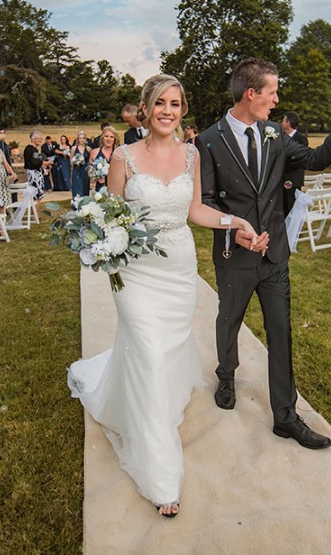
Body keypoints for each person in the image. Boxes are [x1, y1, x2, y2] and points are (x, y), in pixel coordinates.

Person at [68, 74, 260, 518]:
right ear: (146, 108)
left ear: (183, 109)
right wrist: (99, 240)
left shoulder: (192, 154)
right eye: (160, 104)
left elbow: (194, 211)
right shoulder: (124, 157)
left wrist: (237, 223)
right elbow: (107, 213)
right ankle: (160, 474)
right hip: (134, 272)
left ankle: (150, 401)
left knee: (164, 350)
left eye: (175, 104)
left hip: (177, 267)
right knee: (150, 351)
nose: (167, 111)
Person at [197, 58, 331, 450]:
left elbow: (316, 160)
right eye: (272, 92)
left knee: (281, 332)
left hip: (274, 254)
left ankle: (285, 417)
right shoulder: (207, 140)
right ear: (251, 93)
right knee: (229, 319)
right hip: (234, 255)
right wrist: (233, 232)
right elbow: (204, 202)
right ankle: (226, 374)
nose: (277, 99)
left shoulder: (275, 132)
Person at [280, 111, 309, 215]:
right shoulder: (280, 137)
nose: (282, 123)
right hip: (280, 180)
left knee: (292, 209)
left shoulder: (301, 139)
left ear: (288, 122)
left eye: (283, 120)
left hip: (293, 179)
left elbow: (300, 159)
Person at [22, 130, 52, 201]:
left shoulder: (32, 149)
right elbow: (36, 162)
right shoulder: (32, 150)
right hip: (34, 176)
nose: (40, 140)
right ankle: (35, 211)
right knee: (36, 196)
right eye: (38, 138)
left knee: (36, 197)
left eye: (41, 138)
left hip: (34, 174)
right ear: (33, 139)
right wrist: (47, 163)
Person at [88, 127, 118, 192]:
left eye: (111, 137)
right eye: (106, 136)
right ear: (102, 138)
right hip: (100, 187)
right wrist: (97, 178)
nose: (109, 139)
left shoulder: (118, 153)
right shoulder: (95, 152)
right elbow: (89, 172)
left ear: (115, 139)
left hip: (115, 187)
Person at [70, 131, 91, 199]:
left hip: (85, 170)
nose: (81, 140)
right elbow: (71, 160)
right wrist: (75, 162)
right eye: (80, 138)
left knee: (85, 186)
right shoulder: (73, 148)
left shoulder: (88, 148)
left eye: (83, 138)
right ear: (78, 139)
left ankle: (85, 202)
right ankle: (77, 202)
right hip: (77, 170)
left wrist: (89, 169)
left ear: (85, 139)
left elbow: (91, 160)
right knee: (77, 186)